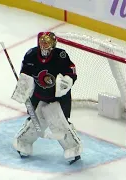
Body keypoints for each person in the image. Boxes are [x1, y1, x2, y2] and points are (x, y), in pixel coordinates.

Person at [11, 32, 82, 165]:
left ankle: (73, 150)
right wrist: (23, 85)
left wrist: (67, 81)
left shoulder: (61, 56)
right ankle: (23, 144)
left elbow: (71, 72)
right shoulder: (31, 55)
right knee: (34, 123)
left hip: (57, 99)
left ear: (53, 44)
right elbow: (25, 73)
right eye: (42, 42)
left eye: (47, 43)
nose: (44, 46)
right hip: (37, 96)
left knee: (60, 124)